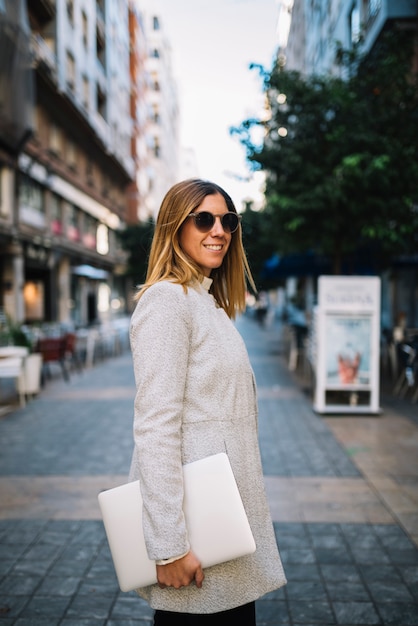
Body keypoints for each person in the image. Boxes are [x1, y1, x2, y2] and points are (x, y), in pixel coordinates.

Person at [128, 179, 286, 625]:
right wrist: (169, 545)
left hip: (223, 521)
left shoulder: (205, 301)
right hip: (196, 530)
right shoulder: (167, 301)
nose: (219, 230)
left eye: (228, 220)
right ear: (175, 227)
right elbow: (156, 427)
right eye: (204, 219)